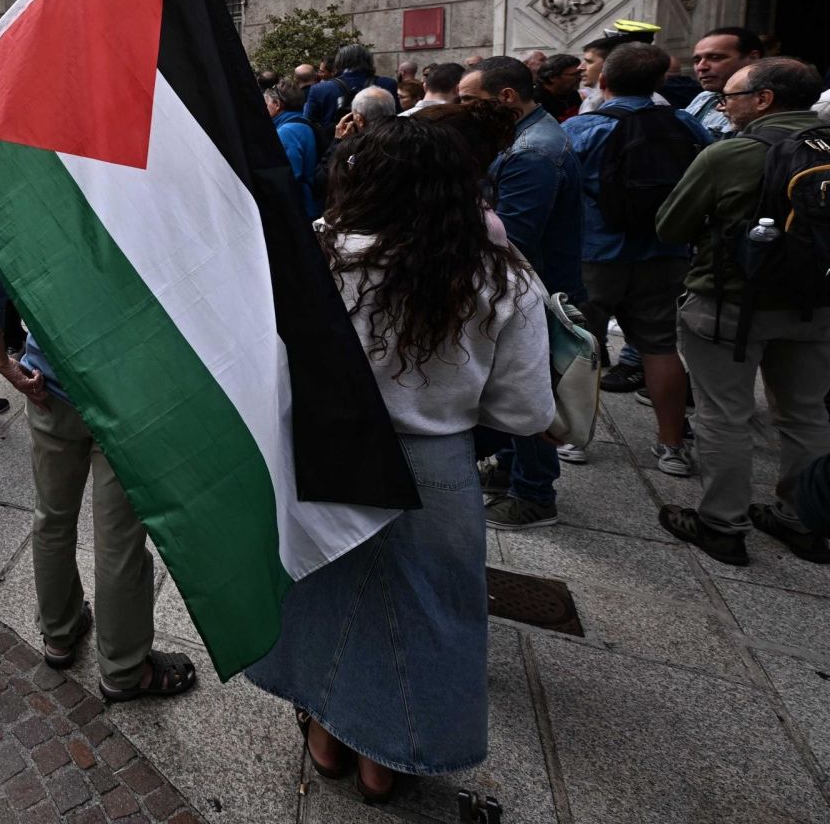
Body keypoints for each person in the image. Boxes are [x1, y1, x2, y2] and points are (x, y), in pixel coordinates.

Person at [248, 117, 552, 802]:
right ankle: (388, 760)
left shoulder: (311, 258)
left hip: (320, 454)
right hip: (434, 466)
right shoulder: (499, 275)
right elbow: (526, 412)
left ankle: (325, 734)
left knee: (322, 596)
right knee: (424, 613)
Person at [0, 248, 194, 703]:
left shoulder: (38, 199)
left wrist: (0, 362)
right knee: (119, 540)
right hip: (128, 391)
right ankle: (124, 669)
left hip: (49, 382)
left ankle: (59, 633)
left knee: (52, 518)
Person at [656, 58, 830, 566]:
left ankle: (721, 525)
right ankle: (803, 520)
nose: (723, 107)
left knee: (723, 414)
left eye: (729, 98)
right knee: (806, 413)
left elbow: (670, 226)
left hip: (730, 305)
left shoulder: (732, 153)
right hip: (816, 305)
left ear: (764, 99)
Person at [562, 43, 709, 476]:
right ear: (660, 82)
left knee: (581, 347)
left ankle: (574, 438)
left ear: (604, 81)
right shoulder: (687, 124)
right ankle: (672, 445)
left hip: (595, 254)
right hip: (664, 251)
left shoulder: (581, 129)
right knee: (659, 346)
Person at [457, 56, 581, 530]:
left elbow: (516, 239)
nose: (464, 110)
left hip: (538, 288)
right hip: (535, 282)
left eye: (470, 100)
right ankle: (511, 469)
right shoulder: (528, 137)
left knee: (527, 383)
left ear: (505, 96)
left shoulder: (532, 153)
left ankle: (533, 494)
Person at [685, 27, 765, 138]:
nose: (701, 67)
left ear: (753, 58)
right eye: (697, 60)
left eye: (715, 58)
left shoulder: (765, 107)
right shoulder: (704, 97)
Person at [302, 44, 398, 132]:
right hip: (379, 141)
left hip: (334, 143)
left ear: (339, 62)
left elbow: (308, 123)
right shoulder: (387, 84)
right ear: (369, 60)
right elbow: (396, 118)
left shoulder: (319, 89)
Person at [265, 82, 319, 220]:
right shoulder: (303, 122)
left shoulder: (286, 131)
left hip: (300, 208)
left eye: (266, 104)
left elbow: (289, 176)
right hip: (311, 203)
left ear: (277, 104)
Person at [534, 54, 584, 122]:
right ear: (552, 77)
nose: (580, 77)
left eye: (579, 73)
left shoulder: (571, 93)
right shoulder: (535, 101)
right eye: (574, 74)